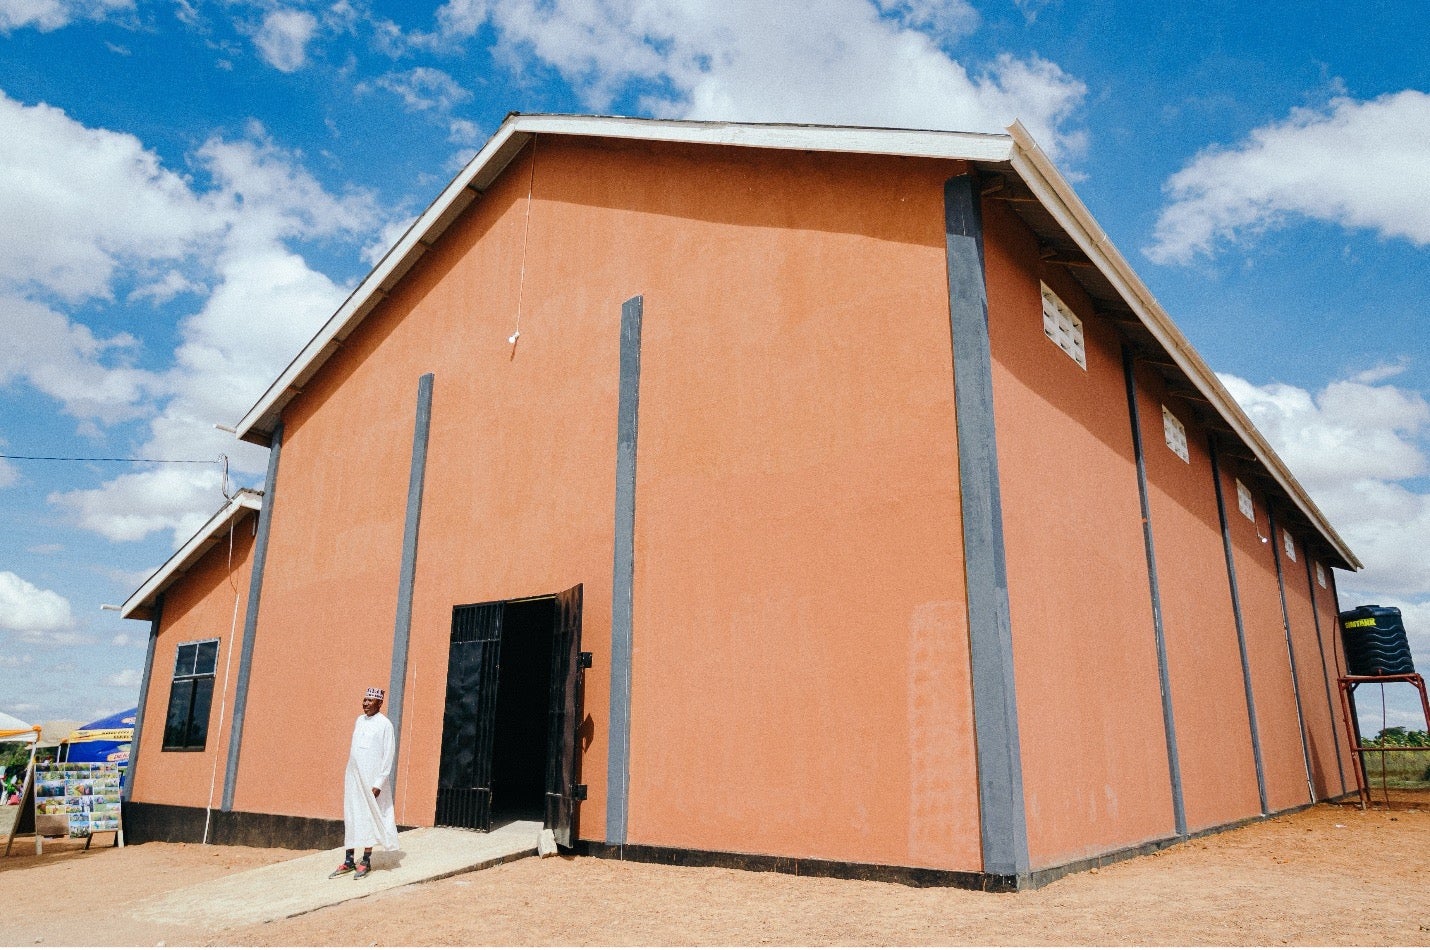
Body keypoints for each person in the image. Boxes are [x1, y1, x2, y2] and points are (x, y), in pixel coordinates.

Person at [330, 687, 400, 880]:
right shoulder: (359, 721)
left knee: (369, 818)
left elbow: (388, 756)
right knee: (352, 816)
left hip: (372, 782)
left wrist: (379, 782)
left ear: (379, 703)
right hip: (353, 779)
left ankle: (366, 861)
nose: (365, 704)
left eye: (370, 701)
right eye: (364, 700)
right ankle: (349, 860)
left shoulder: (385, 725)